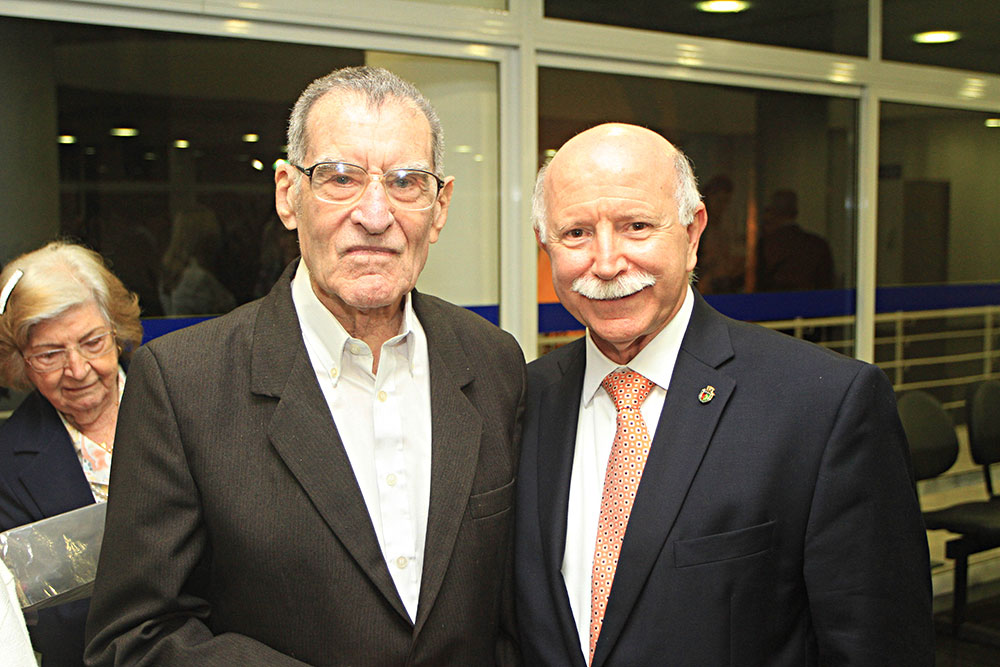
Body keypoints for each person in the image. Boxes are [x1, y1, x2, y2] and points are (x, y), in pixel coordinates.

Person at [84, 65, 525, 666]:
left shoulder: (493, 362)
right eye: (341, 178)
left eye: (405, 182)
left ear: (439, 207)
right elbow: (135, 636)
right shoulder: (184, 384)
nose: (376, 215)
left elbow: (511, 610)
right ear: (288, 194)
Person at [515, 123, 933, 666]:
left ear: (692, 234)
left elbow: (876, 643)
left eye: (637, 226)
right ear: (545, 246)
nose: (607, 262)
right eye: (576, 233)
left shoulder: (825, 406)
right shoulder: (523, 398)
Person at [0, 241, 143, 666]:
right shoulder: (7, 462)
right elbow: (48, 619)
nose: (77, 370)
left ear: (116, 331)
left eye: (92, 342)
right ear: (21, 361)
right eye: (50, 354)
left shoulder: (180, 398)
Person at [757, 189, 835, 291]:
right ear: (795, 212)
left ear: (772, 212)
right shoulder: (818, 244)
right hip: (811, 300)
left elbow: (758, 282)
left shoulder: (766, 244)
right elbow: (826, 284)